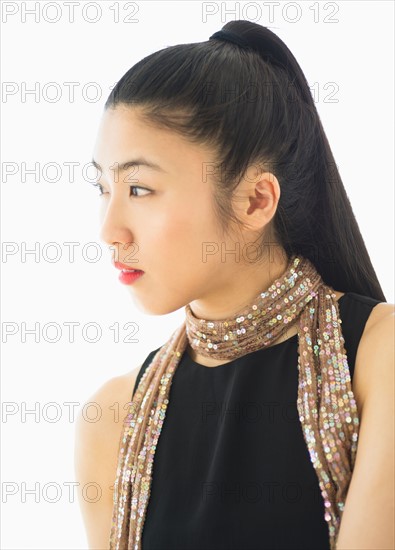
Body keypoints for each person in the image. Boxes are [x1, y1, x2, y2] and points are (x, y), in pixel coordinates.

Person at [74, 20, 394, 550]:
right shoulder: (111, 418)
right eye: (101, 188)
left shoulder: (377, 356)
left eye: (138, 187)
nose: (109, 230)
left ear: (255, 201)